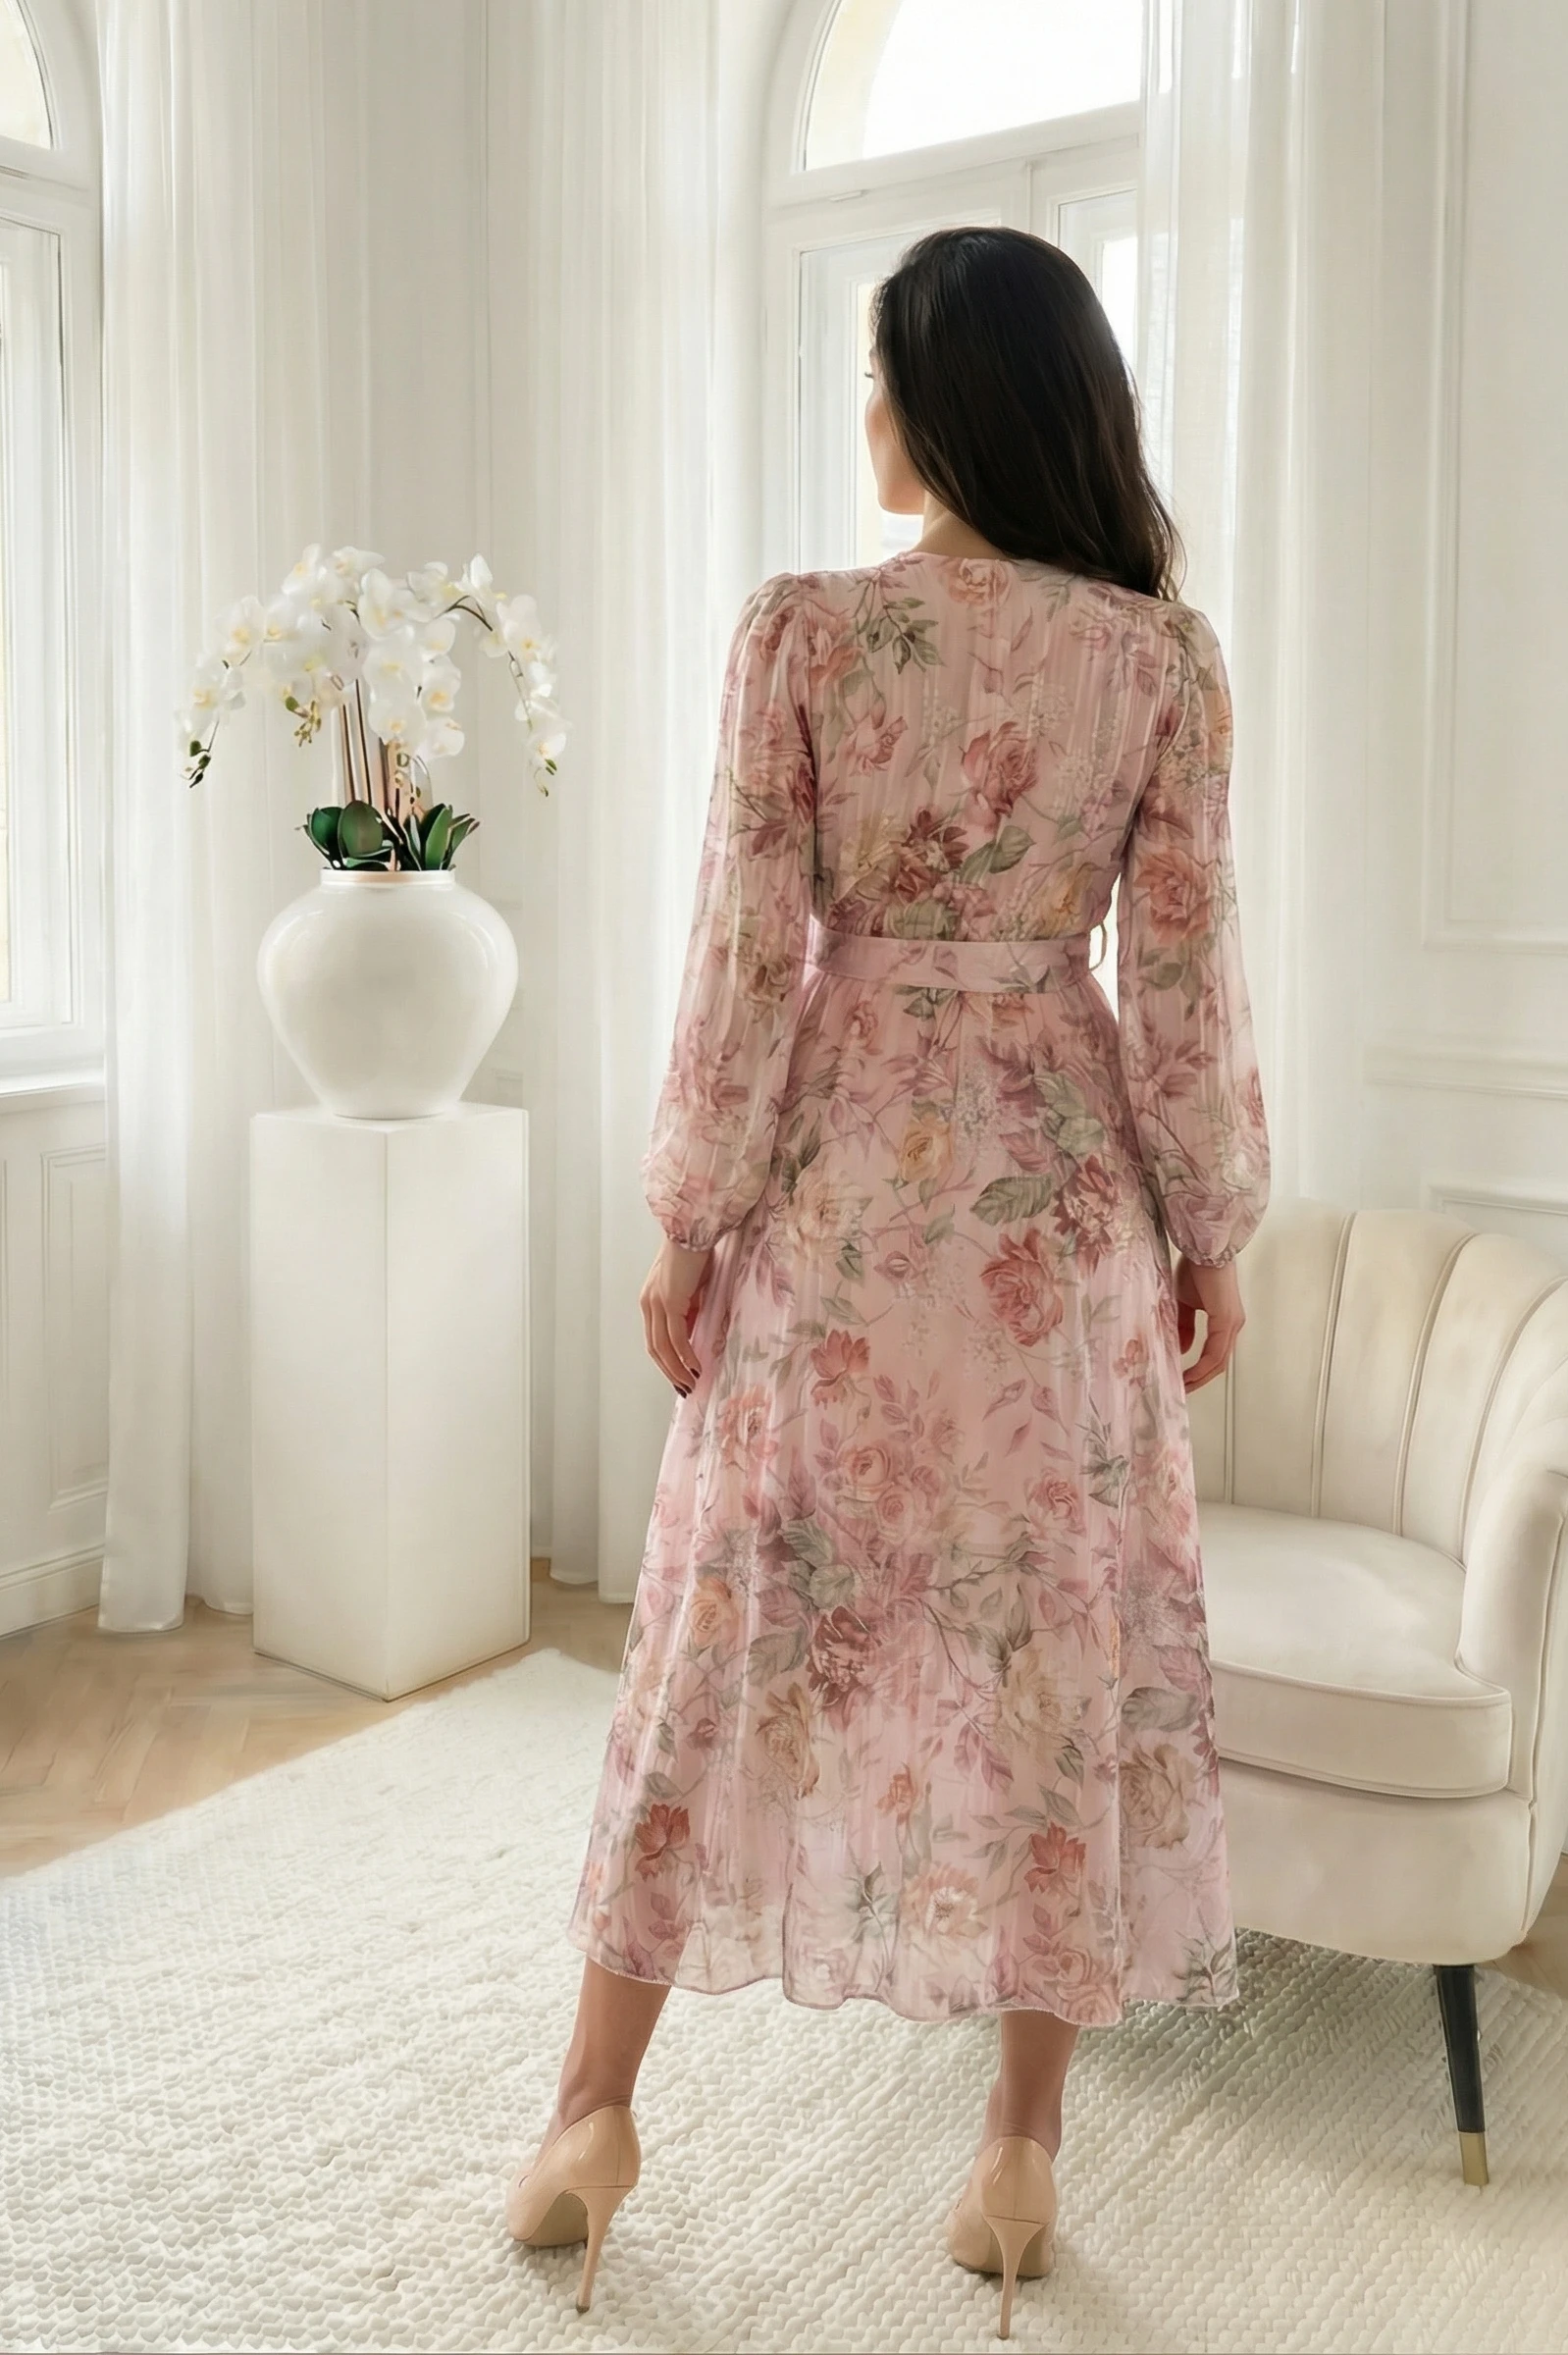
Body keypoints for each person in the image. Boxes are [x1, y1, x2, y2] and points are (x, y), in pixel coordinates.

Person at [505, 223, 1272, 2334]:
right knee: (1052, 1650)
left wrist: (688, 1213)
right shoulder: (1161, 661)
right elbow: (1186, 979)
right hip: (1055, 1220)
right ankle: (1016, 2153)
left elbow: (746, 957)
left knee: (726, 1625)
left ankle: (590, 2112)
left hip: (839, 1202)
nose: (864, 414)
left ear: (946, 399)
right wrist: (1213, 1224)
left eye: (880, 375)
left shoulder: (807, 635)